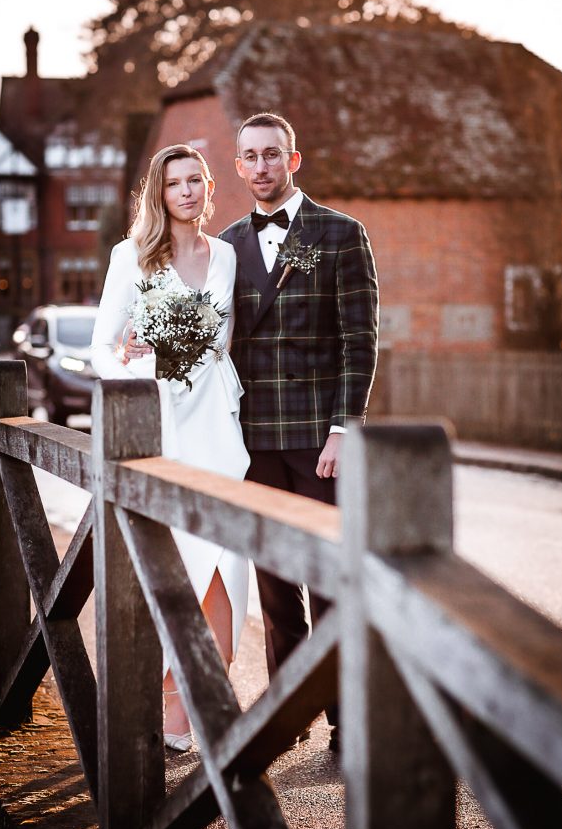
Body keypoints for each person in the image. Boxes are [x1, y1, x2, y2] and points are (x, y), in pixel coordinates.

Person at [219, 113, 379, 753]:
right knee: (276, 590)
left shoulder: (341, 234)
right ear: (237, 166)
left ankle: (347, 725)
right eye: (250, 156)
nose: (261, 166)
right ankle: (288, 716)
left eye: (272, 155)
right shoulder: (225, 245)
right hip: (253, 442)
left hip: (319, 442)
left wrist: (345, 428)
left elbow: (359, 341)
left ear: (294, 159)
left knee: (330, 584)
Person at [90, 143, 250, 753]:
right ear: (158, 195)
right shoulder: (129, 257)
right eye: (172, 183)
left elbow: (224, 337)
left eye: (194, 181)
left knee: (224, 562)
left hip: (217, 424)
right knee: (172, 562)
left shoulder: (227, 256)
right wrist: (145, 377)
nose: (185, 191)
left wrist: (198, 356)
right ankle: (162, 707)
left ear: (209, 187)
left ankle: (200, 705)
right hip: (162, 425)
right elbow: (104, 348)